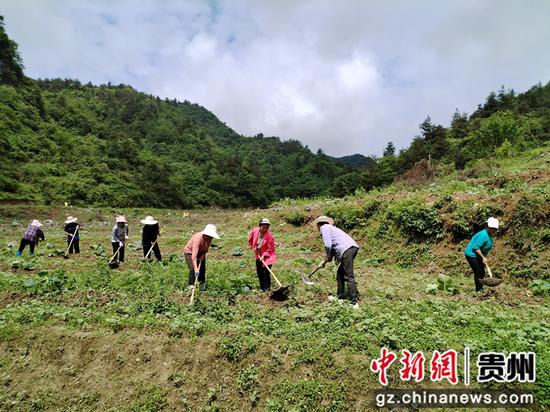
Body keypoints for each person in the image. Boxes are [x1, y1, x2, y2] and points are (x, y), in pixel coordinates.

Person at [314, 216, 360, 309]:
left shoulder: (324, 228)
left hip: (347, 249)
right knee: (340, 273)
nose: (317, 228)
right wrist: (326, 259)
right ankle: (340, 297)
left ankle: (354, 303)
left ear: (319, 224)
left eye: (317, 226)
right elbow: (333, 248)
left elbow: (328, 245)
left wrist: (327, 257)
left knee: (349, 276)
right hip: (351, 248)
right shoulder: (332, 229)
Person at [464, 217, 499, 292]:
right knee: (478, 272)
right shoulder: (484, 235)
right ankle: (479, 290)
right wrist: (483, 257)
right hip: (471, 254)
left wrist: (483, 257)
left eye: (495, 228)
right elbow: (475, 247)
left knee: (482, 272)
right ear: (487, 227)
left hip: (478, 255)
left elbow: (483, 247)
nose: (494, 230)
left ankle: (480, 288)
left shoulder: (489, 234)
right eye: (492, 228)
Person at [183, 224, 220, 291]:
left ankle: (202, 288)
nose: (210, 237)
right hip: (190, 252)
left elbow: (206, 248)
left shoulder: (209, 238)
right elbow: (194, 256)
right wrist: (196, 269)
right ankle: (191, 286)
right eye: (209, 236)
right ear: (206, 234)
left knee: (202, 270)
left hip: (201, 252)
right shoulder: (198, 238)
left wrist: (203, 255)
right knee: (192, 268)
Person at [248, 218, 276, 291]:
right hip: (258, 255)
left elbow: (270, 249)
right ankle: (262, 288)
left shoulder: (270, 237)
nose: (264, 229)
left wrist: (264, 255)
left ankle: (267, 289)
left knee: (266, 273)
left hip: (268, 256)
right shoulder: (255, 231)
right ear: (260, 226)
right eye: (263, 227)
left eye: (266, 228)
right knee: (259, 272)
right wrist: (251, 245)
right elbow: (250, 238)